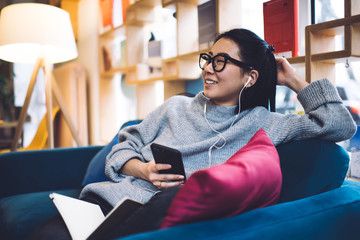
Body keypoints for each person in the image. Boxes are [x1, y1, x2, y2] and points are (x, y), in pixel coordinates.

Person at [29, 28, 357, 239]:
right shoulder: (175, 107)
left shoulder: (265, 123)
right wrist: (140, 169)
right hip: (108, 205)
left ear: (250, 77)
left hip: (158, 216)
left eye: (220, 61)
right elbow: (121, 149)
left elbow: (341, 125)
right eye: (207, 59)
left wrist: (295, 81)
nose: (207, 68)